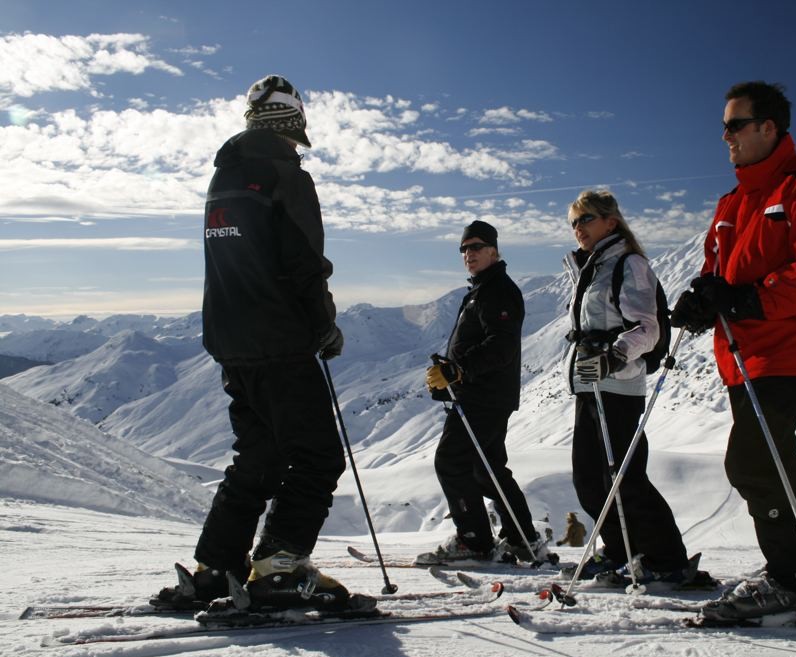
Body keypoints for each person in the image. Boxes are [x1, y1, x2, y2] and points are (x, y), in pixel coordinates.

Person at [154, 74, 371, 612]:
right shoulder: (286, 177)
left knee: (259, 454)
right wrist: (324, 325)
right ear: (295, 120)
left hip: (230, 339)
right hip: (278, 337)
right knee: (317, 455)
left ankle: (215, 568)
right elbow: (304, 264)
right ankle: (280, 565)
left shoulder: (223, 178)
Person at [670, 81, 796, 621]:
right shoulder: (732, 201)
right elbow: (719, 272)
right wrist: (704, 299)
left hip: (790, 344)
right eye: (723, 126)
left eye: (734, 124)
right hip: (743, 353)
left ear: (768, 127)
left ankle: (795, 581)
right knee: (774, 460)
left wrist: (746, 298)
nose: (724, 136)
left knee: (751, 461)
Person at [563, 190, 711, 586]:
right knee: (590, 480)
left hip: (617, 384)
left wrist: (614, 355)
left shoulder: (629, 264)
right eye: (574, 222)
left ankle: (667, 559)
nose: (578, 228)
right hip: (590, 381)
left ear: (611, 222)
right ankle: (623, 551)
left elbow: (648, 327)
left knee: (623, 476)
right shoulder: (593, 267)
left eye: (586, 219)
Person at [417, 220, 549, 565]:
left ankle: (474, 540)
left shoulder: (498, 291)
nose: (468, 254)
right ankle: (522, 538)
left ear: (493, 250)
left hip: (484, 397)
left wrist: (458, 371)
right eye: (463, 249)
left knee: (451, 461)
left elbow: (501, 345)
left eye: (475, 247)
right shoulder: (481, 290)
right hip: (479, 393)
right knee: (486, 468)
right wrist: (451, 376)